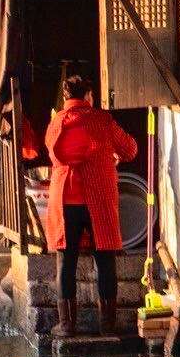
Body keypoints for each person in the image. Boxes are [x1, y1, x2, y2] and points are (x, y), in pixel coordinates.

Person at [44, 72, 138, 339]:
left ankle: (67, 325)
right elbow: (130, 150)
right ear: (88, 96)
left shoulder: (56, 123)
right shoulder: (102, 120)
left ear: (66, 97)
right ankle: (107, 325)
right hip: (98, 199)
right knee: (105, 259)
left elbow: (54, 153)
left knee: (66, 261)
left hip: (66, 199)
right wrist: (111, 154)